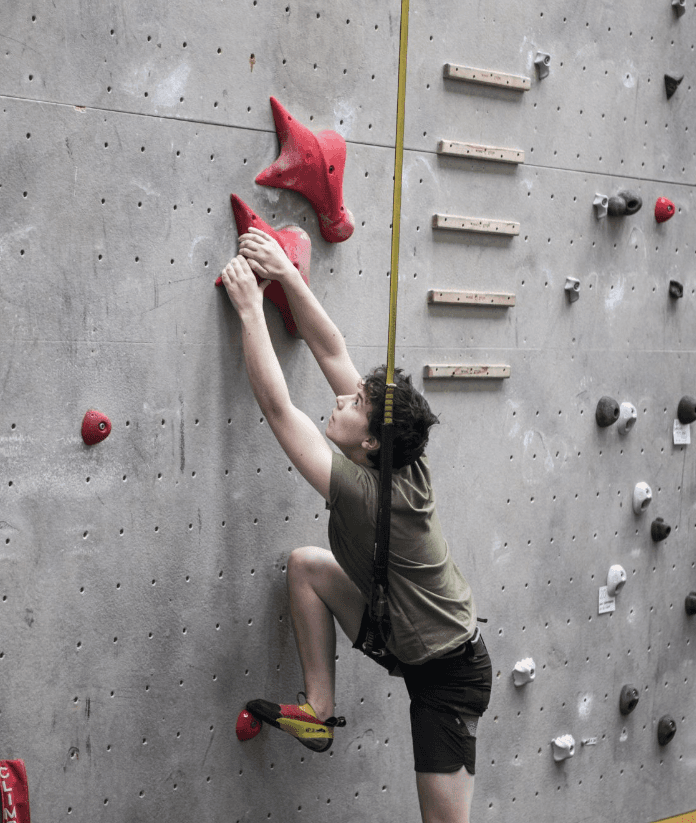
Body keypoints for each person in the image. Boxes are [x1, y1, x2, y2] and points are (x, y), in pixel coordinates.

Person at [219, 227, 492, 823]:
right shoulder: (391, 452)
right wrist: (286, 276)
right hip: (403, 633)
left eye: (354, 405)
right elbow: (333, 350)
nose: (342, 400)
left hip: (447, 675)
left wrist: (249, 306)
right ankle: (319, 709)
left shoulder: (367, 491)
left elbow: (277, 406)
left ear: (368, 442)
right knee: (307, 567)